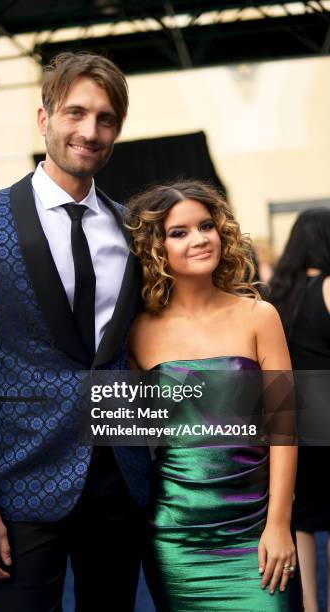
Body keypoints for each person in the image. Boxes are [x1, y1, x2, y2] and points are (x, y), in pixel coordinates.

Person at [0, 51, 151, 612]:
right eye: (76, 113)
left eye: (105, 119)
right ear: (44, 118)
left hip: (120, 477)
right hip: (17, 486)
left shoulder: (133, 229)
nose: (90, 130)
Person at [127, 181, 303, 610]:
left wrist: (279, 523)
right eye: (179, 232)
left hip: (256, 530)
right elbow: (133, 436)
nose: (200, 239)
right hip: (176, 536)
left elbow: (286, 426)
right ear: (155, 246)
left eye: (206, 225)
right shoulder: (136, 331)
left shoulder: (259, 316)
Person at [270, 208, 330, 612]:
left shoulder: (277, 292)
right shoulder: (329, 287)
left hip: (295, 417)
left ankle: (308, 605)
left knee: (303, 518)